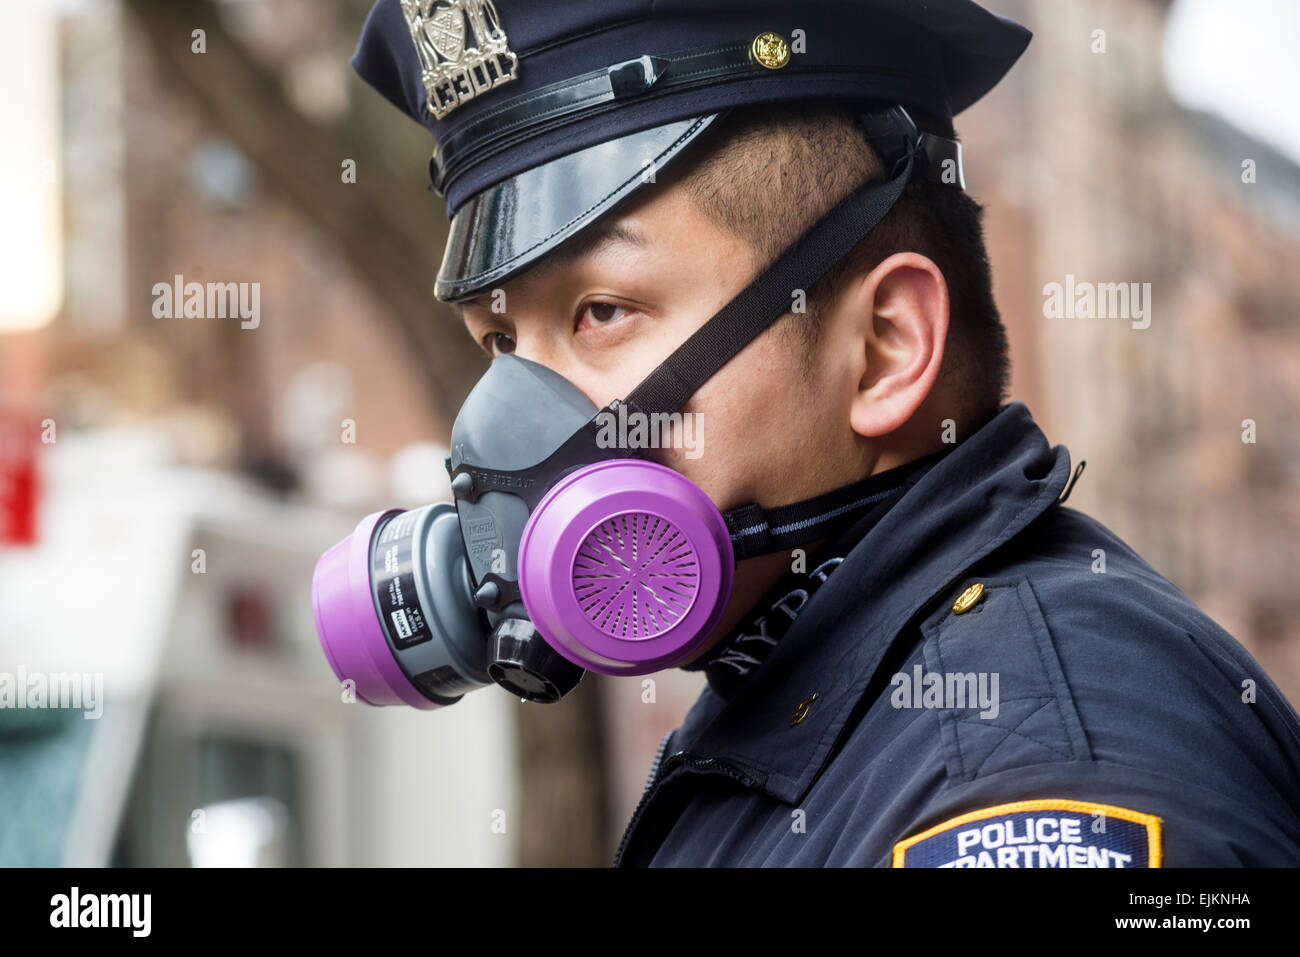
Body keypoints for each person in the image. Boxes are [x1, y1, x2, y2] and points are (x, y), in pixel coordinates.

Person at [350, 0, 1300, 866]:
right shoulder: (803, 705)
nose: (503, 422)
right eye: (502, 339)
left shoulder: (1025, 776)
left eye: (601, 311)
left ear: (885, 349)